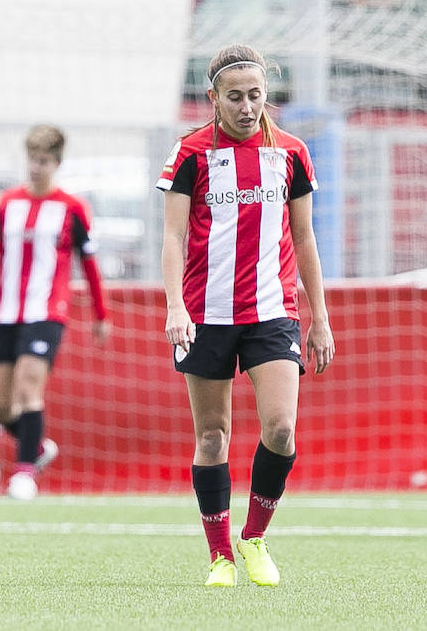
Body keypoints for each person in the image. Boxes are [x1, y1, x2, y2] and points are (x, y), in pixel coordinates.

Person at [157, 44, 336, 587]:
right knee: (212, 436)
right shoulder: (190, 154)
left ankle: (254, 537)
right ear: (213, 98)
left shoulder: (291, 153)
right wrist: (174, 307)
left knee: (281, 428)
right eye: (234, 97)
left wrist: (320, 318)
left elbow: (304, 236)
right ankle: (219, 557)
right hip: (205, 315)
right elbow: (172, 235)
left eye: (255, 95)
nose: (246, 107)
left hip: (272, 311)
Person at [0, 124, 110, 501]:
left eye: (44, 161)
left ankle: (24, 473)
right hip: (5, 313)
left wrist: (100, 314)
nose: (36, 167)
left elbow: (89, 265)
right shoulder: (8, 203)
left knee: (29, 388)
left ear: (56, 163)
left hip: (47, 312)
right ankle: (38, 448)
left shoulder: (72, 208)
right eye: (32, 159)